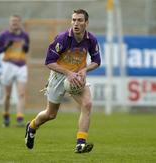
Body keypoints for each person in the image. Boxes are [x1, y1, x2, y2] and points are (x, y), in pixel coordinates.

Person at [25, 9, 101, 153]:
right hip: (59, 77)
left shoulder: (91, 39)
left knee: (88, 104)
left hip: (77, 77)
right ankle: (32, 126)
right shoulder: (63, 38)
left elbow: (97, 61)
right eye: (73, 20)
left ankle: (80, 143)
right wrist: (68, 73)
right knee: (51, 114)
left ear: (86, 23)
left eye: (79, 20)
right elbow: (49, 62)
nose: (76, 23)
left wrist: (84, 70)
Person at [0, 15, 30, 127]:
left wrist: (25, 48)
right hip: (8, 65)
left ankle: (20, 118)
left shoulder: (25, 35)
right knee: (8, 95)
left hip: (21, 66)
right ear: (10, 23)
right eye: (13, 21)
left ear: (20, 23)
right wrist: (5, 47)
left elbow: (26, 49)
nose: (15, 23)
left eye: (16, 21)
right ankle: (6, 116)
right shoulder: (4, 35)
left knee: (21, 93)